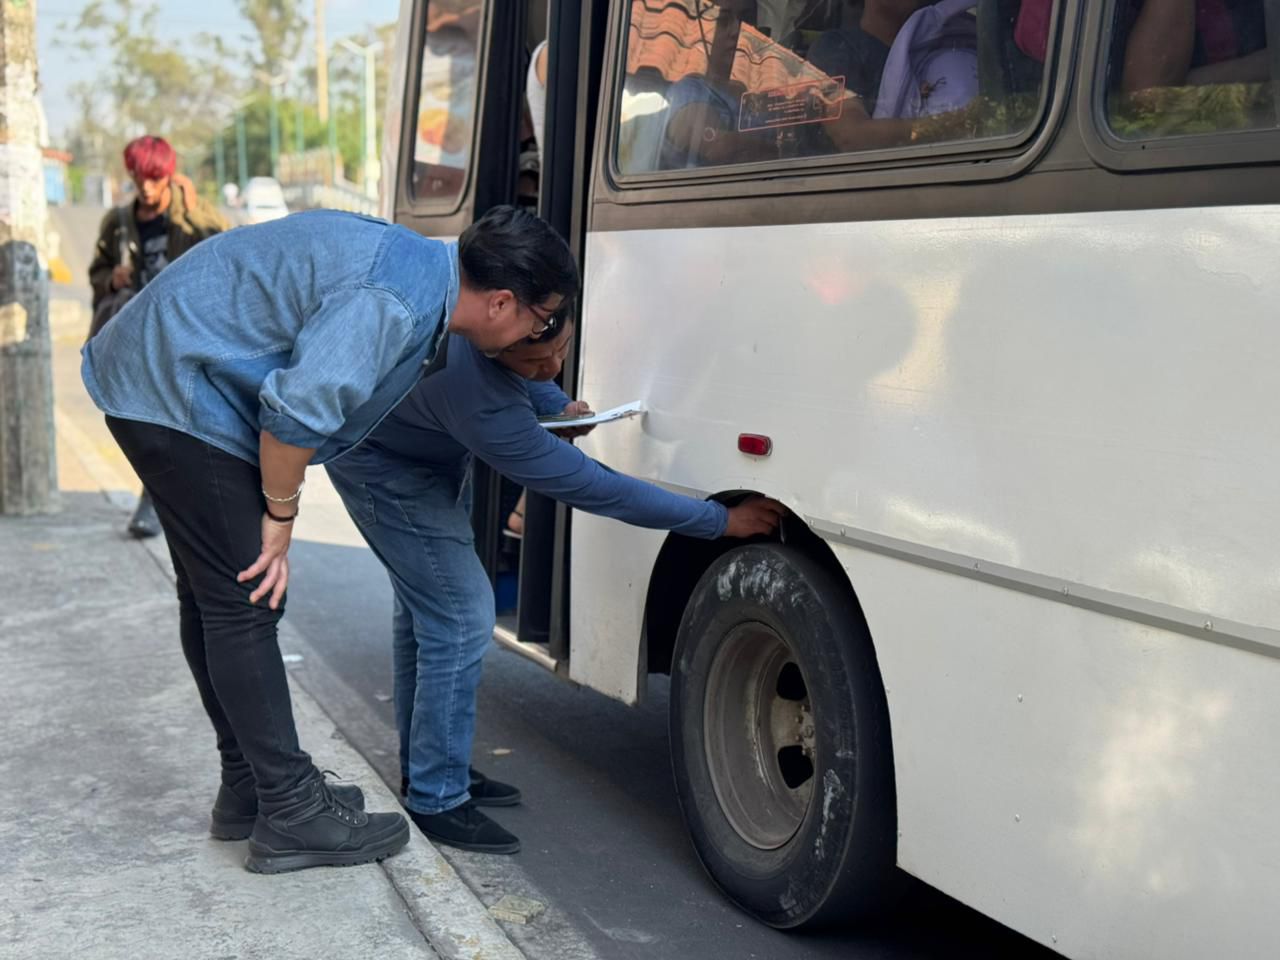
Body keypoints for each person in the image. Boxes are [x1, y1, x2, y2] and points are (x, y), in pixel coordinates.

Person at [81, 204, 579, 874]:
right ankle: (289, 811)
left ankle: (250, 790)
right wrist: (281, 519)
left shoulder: (422, 268)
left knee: (214, 597)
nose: (540, 334)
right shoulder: (394, 303)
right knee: (245, 601)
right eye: (542, 321)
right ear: (499, 303)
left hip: (165, 366)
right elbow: (293, 415)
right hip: (175, 385)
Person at [325, 321, 786, 854]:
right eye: (534, 362)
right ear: (497, 337)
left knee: (425, 615)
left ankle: (430, 764)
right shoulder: (479, 399)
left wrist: (555, 404)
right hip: (383, 468)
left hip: (424, 456)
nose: (551, 368)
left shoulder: (495, 334)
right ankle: (436, 797)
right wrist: (717, 521)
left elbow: (527, 378)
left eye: (561, 349)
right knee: (459, 617)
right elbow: (598, 489)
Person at [87, 135, 227, 539]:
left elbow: (228, 251)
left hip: (187, 334)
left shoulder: (193, 217)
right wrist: (110, 279)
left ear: (168, 175)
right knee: (146, 420)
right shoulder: (118, 223)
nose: (145, 187)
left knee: (196, 421)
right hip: (138, 336)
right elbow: (97, 273)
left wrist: (196, 208)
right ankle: (154, 499)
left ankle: (185, 500)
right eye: (138, 177)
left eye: (154, 177)